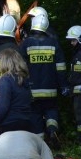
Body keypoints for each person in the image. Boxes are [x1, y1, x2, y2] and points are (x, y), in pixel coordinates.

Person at [20, 12, 67, 147]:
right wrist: (63, 85)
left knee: (35, 115)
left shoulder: (26, 44)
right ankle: (52, 132)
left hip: (32, 91)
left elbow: (21, 68)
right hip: (50, 90)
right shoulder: (54, 43)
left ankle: (39, 143)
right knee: (51, 111)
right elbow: (61, 67)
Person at [0, 48, 37, 136]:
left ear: (4, 63)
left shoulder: (6, 79)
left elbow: (2, 107)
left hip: (9, 126)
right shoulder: (24, 79)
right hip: (26, 124)